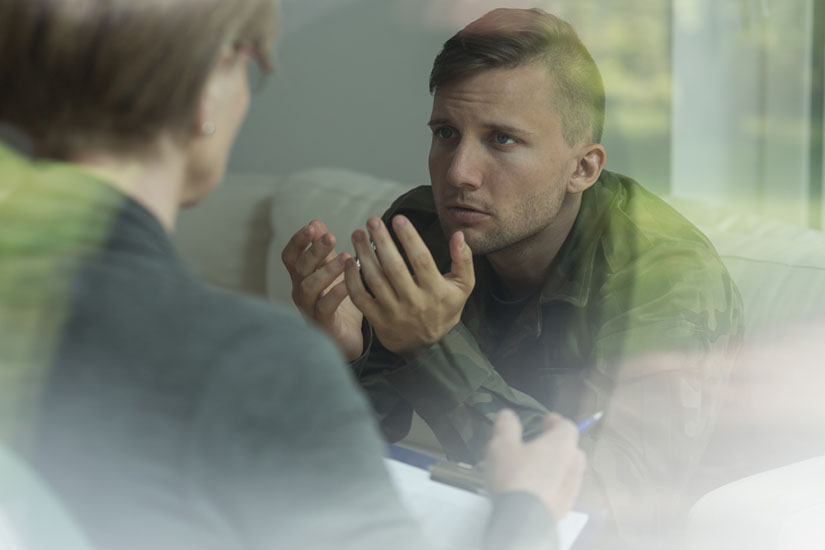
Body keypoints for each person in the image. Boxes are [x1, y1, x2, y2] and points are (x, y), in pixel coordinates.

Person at [0, 1, 586, 550]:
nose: (461, 171)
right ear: (208, 86)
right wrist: (527, 510)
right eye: (255, 63)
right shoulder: (247, 363)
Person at [281, 7, 744, 547]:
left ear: (583, 169)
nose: (458, 174)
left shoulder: (665, 277)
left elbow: (608, 514)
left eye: (501, 139)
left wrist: (432, 346)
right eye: (447, 133)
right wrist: (342, 353)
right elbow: (366, 446)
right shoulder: (426, 228)